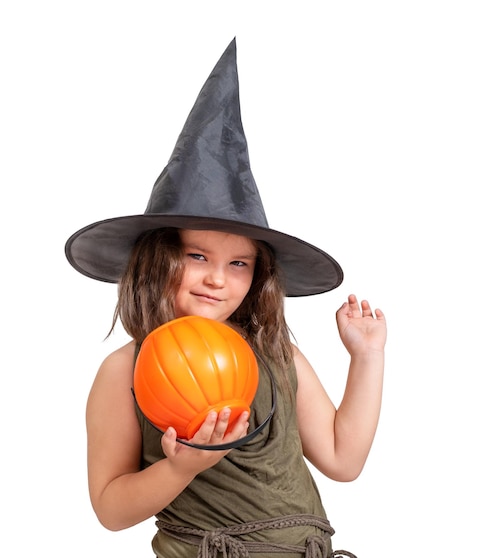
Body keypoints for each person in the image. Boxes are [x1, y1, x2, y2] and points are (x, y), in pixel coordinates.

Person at [65, 38, 386, 558]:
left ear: (257, 276)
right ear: (156, 259)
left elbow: (343, 460)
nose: (218, 278)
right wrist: (181, 467)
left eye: (239, 264)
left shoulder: (276, 356)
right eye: (197, 257)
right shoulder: (124, 370)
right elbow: (109, 507)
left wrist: (367, 358)